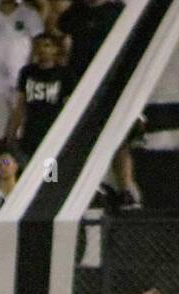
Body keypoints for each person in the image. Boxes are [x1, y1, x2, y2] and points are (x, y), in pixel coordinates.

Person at [58, 0, 140, 207]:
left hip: (113, 83)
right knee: (85, 139)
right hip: (82, 87)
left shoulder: (117, 11)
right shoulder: (75, 13)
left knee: (119, 139)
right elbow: (61, 37)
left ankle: (126, 188)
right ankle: (89, 189)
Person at [0, 0, 44, 134]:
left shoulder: (30, 15)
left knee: (20, 124)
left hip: (21, 76)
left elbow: (38, 45)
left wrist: (31, 71)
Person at [6, 33, 71, 159]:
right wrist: (12, 132)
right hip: (30, 131)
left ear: (55, 49)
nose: (42, 50)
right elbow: (20, 104)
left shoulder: (64, 74)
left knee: (51, 175)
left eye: (47, 46)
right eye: (39, 46)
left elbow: (70, 107)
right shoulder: (27, 72)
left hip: (53, 132)